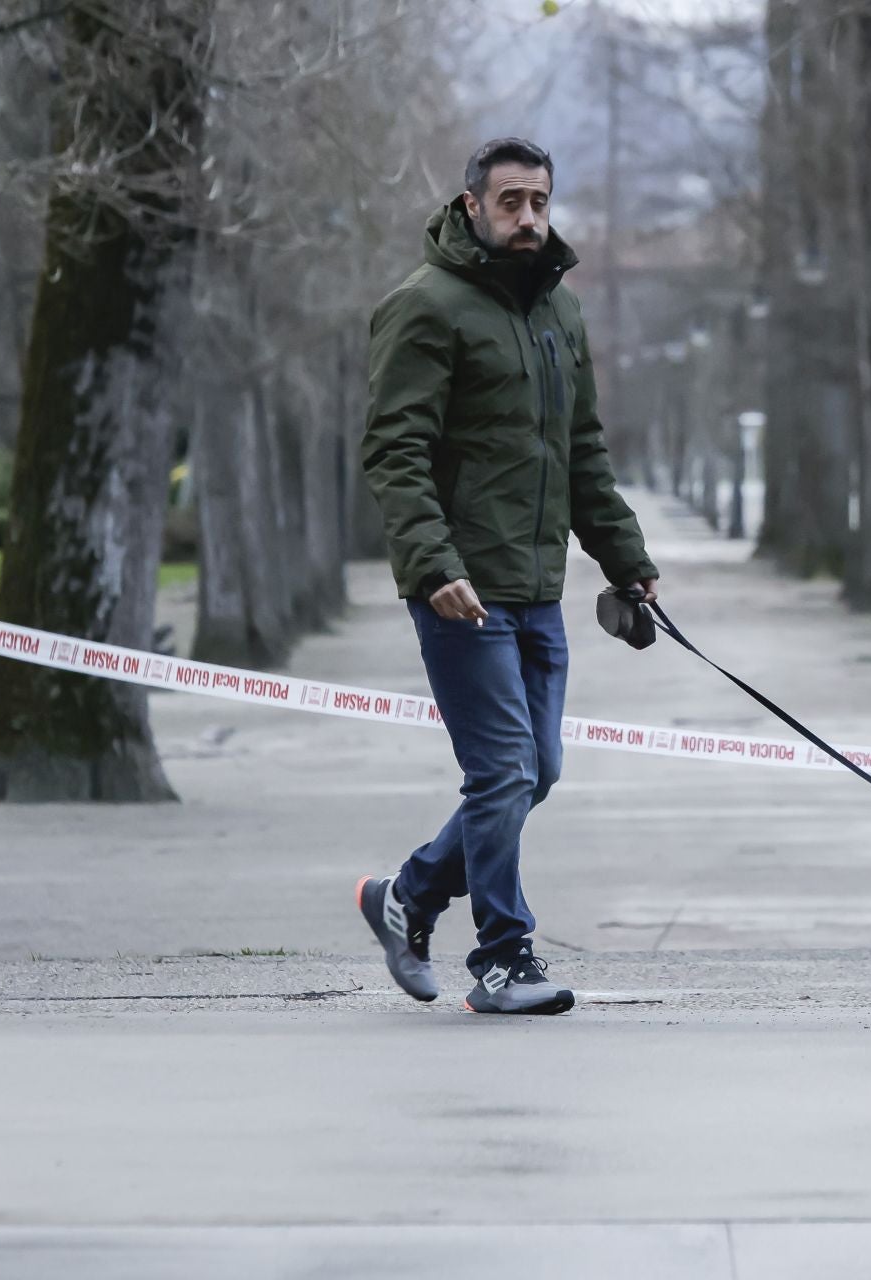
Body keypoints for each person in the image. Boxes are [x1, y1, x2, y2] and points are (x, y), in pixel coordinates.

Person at [356, 138, 659, 1015]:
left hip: (536, 588)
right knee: (500, 772)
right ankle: (503, 957)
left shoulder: (558, 313)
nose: (528, 217)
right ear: (472, 206)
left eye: (540, 202)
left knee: (540, 770)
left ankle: (407, 894)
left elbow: (583, 454)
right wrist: (432, 564)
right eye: (511, 201)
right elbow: (394, 450)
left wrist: (627, 563)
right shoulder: (424, 307)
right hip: (460, 589)